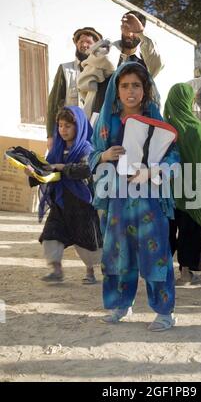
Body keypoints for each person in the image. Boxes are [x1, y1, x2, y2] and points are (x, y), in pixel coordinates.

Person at [89, 62, 180, 331]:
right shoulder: (106, 122)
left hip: (150, 201)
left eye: (136, 86)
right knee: (118, 253)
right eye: (125, 85)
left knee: (156, 254)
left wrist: (152, 172)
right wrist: (103, 156)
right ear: (116, 90)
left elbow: (174, 159)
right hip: (115, 200)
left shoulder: (159, 124)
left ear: (146, 89)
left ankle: (165, 312)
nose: (130, 91)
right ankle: (121, 305)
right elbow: (91, 153)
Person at [25, 106, 103, 283]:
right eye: (60, 126)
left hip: (81, 203)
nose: (63, 130)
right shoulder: (56, 150)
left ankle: (90, 272)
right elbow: (47, 171)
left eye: (68, 126)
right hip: (60, 201)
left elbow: (86, 170)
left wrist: (63, 168)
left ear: (79, 126)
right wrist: (33, 174)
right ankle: (56, 270)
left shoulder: (86, 149)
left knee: (86, 240)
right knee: (51, 235)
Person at [164, 83, 201, 285]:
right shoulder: (196, 128)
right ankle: (185, 272)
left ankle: (163, 271)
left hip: (167, 188)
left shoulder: (164, 129)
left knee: (167, 229)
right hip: (192, 188)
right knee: (189, 230)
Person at [78, 11, 164, 119]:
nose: (129, 34)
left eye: (134, 31)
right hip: (100, 119)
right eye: (126, 29)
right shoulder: (103, 56)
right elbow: (84, 86)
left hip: (133, 121)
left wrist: (141, 33)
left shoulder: (144, 61)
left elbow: (156, 63)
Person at [47, 27, 102, 150]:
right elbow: (53, 104)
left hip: (92, 134)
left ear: (96, 46)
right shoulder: (65, 69)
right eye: (80, 41)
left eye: (88, 42)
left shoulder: (101, 71)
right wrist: (50, 136)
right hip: (67, 136)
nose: (84, 45)